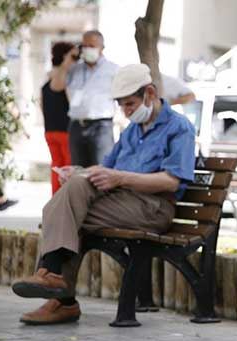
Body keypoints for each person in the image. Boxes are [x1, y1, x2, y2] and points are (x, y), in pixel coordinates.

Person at [11, 64, 196, 325]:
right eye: (121, 106)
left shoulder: (179, 127)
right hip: (121, 203)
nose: (126, 111)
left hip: (153, 208)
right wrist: (77, 171)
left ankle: (58, 292)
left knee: (64, 211)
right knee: (72, 193)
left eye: (130, 104)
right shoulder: (132, 130)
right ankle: (55, 286)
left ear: (150, 93)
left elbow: (171, 181)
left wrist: (120, 178)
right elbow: (106, 168)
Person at [52, 30, 118, 167]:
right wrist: (66, 62)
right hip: (77, 125)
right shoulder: (73, 68)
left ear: (102, 48)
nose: (88, 49)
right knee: (78, 171)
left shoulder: (113, 69)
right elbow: (56, 86)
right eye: (85, 45)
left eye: (92, 46)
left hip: (101, 126)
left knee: (102, 169)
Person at [42, 41, 75, 194]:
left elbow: (41, 106)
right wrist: (68, 60)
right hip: (64, 131)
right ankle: (62, 200)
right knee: (67, 167)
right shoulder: (60, 77)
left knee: (57, 166)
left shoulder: (46, 80)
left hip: (50, 130)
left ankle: (55, 200)